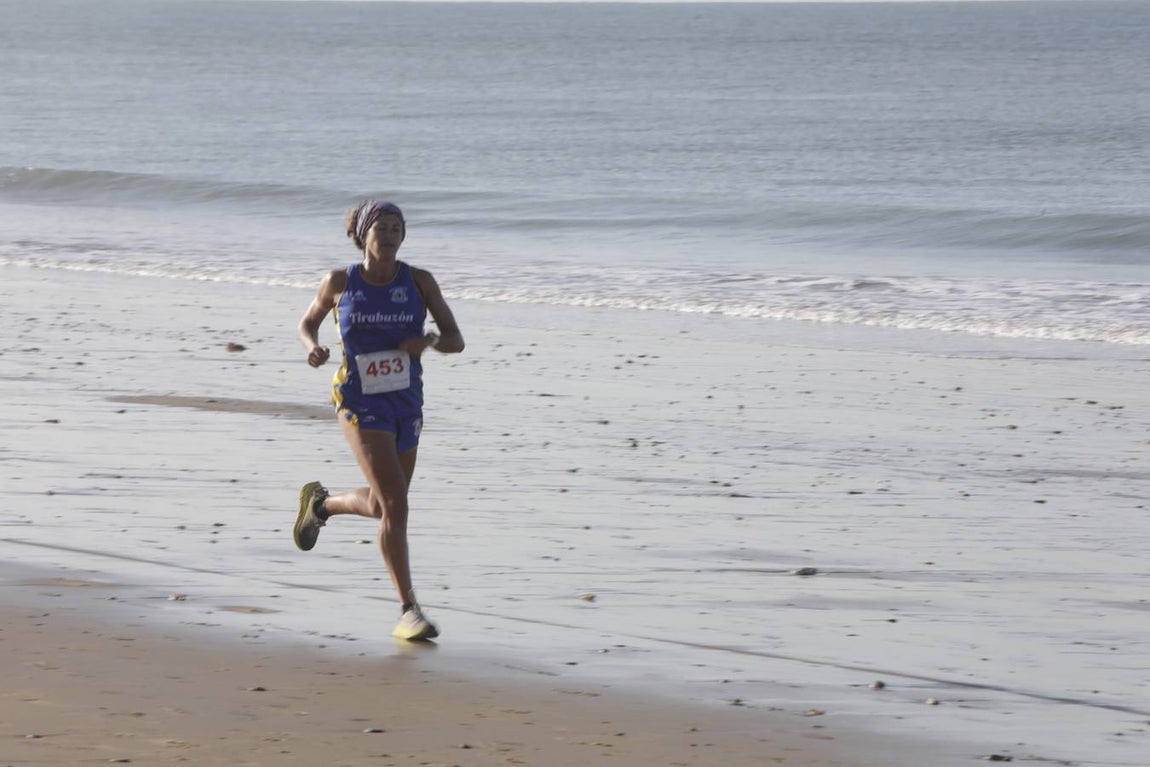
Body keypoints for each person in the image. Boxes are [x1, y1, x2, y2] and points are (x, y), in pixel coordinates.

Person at [294, 200, 464, 641]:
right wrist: (312, 347)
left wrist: (426, 341)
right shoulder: (339, 281)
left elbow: (455, 340)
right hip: (357, 399)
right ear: (363, 236)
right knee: (397, 506)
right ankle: (409, 609)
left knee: (381, 505)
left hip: (406, 401)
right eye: (380, 228)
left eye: (396, 228)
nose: (388, 235)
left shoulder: (420, 282)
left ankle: (321, 505)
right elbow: (306, 323)